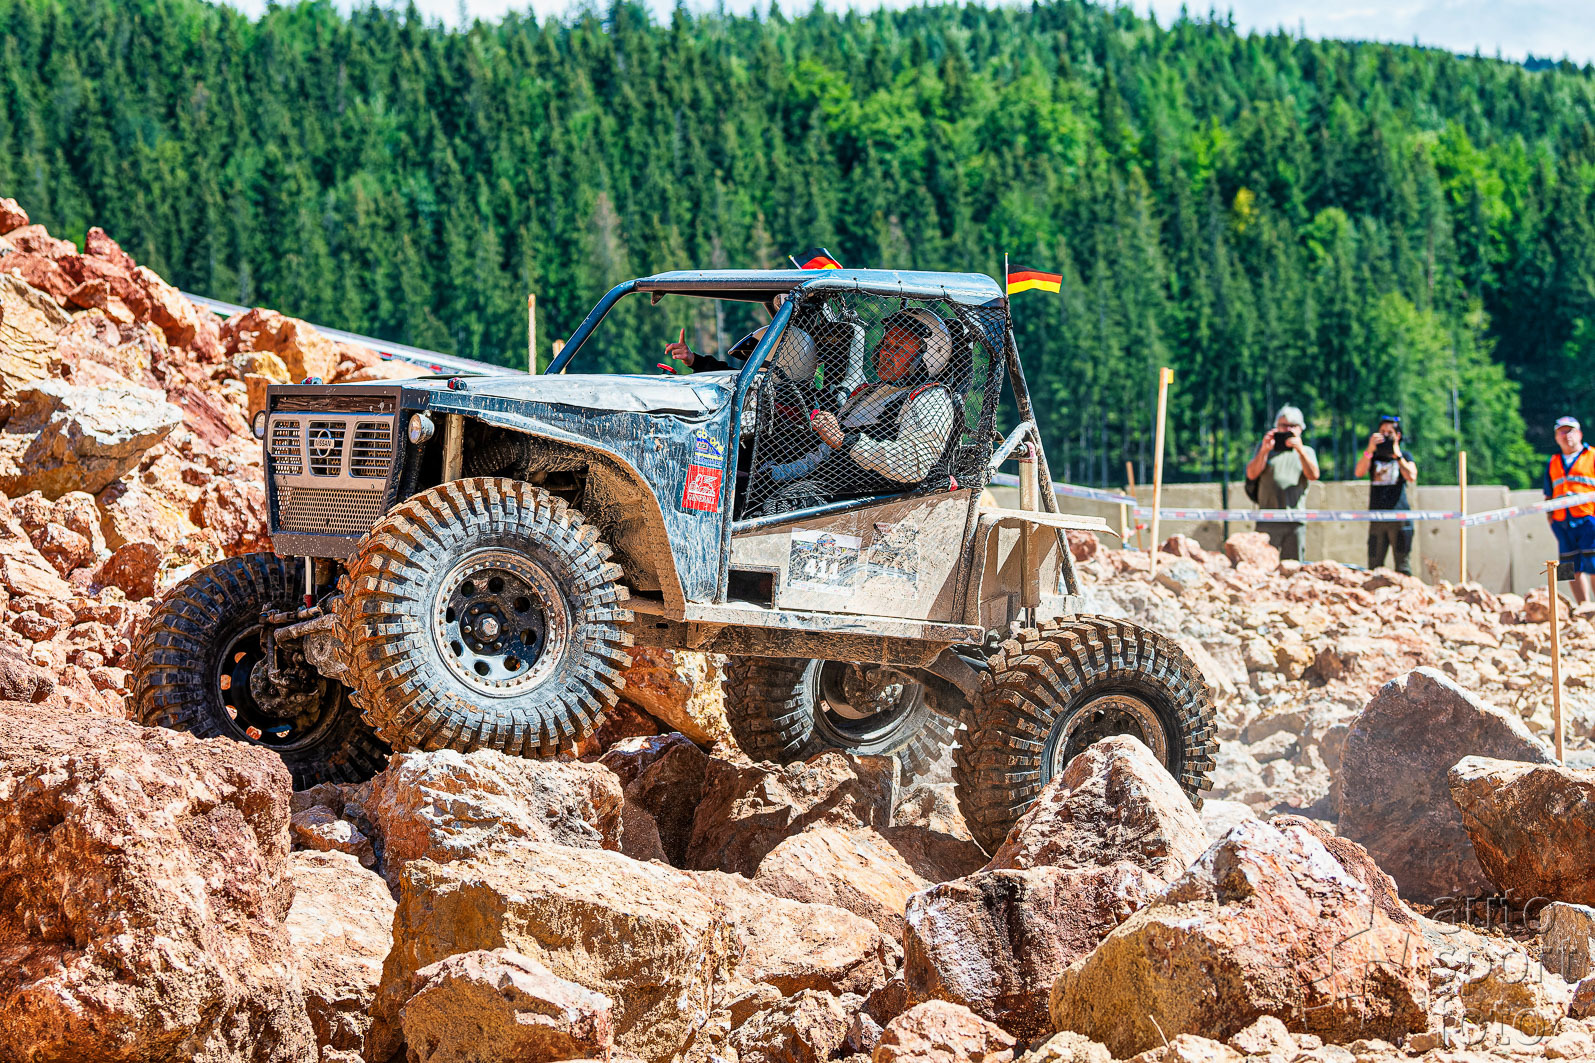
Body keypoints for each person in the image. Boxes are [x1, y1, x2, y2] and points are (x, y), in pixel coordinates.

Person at [753, 308, 961, 511]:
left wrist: (845, 441)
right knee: (753, 492)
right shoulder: (864, 393)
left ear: (927, 357)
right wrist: (774, 475)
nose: (885, 353)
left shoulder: (930, 398)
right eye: (885, 344)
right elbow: (822, 457)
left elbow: (914, 465)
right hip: (831, 489)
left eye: (898, 348)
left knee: (779, 505)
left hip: (869, 503)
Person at [1244, 405, 1320, 561]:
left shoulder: (1307, 451)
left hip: (1295, 520)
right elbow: (1251, 474)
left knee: (1292, 566)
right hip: (1267, 519)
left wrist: (1300, 450)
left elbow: (1313, 475)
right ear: (1276, 427)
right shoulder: (1265, 448)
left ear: (1301, 428)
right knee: (1263, 565)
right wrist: (1264, 450)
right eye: (1283, 425)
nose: (1288, 429)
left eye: (1293, 426)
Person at [1353, 414, 1418, 574]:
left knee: (1403, 567)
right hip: (1377, 517)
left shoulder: (1405, 456)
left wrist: (1397, 455)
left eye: (1390, 433)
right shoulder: (1373, 456)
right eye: (1382, 432)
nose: (1386, 435)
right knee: (1374, 565)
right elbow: (1359, 472)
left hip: (1399, 518)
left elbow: (1411, 476)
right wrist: (1369, 449)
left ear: (1398, 436)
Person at [1545, 415, 1595, 603]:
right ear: (1556, 437)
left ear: (1580, 434)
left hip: (1588, 518)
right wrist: (1551, 519)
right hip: (1562, 522)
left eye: (1569, 431)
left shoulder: (1592, 456)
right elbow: (1548, 493)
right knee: (1567, 568)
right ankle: (1583, 607)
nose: (1566, 435)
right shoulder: (1553, 461)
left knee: (1593, 564)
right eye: (1561, 432)